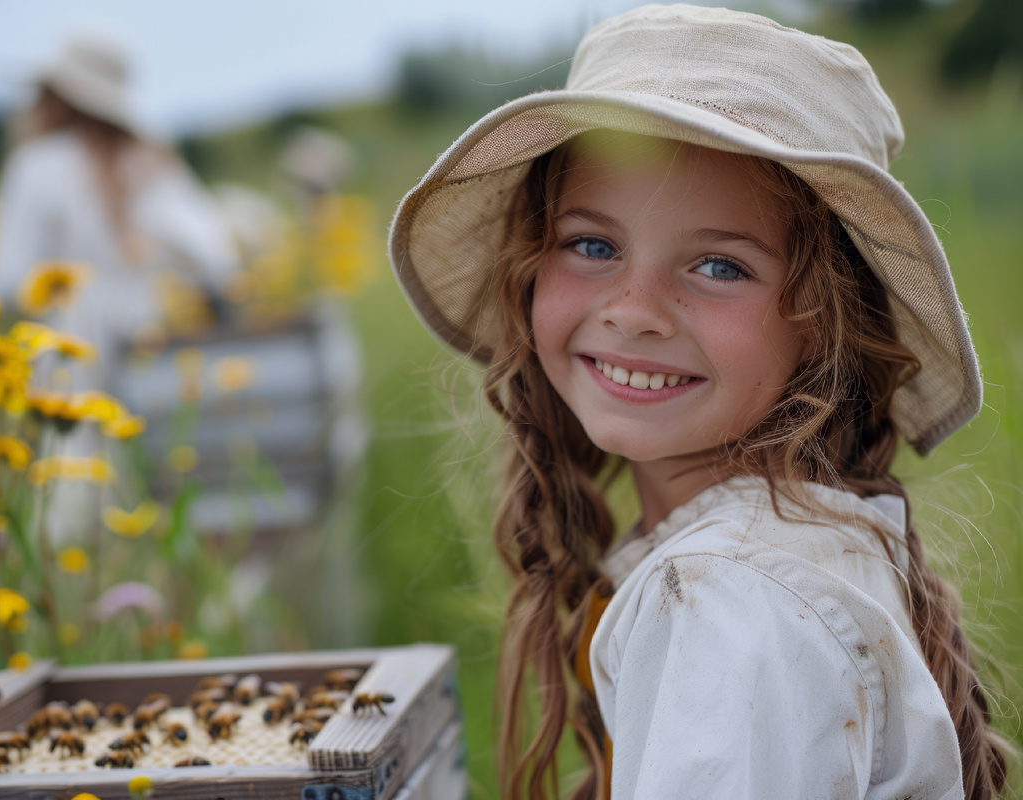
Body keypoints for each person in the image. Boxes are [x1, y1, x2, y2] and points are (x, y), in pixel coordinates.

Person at [389, 5, 1007, 798]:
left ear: (826, 324)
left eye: (719, 265)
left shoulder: (732, 600)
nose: (634, 308)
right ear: (531, 264)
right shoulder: (774, 554)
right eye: (592, 245)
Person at [0, 34, 237, 391]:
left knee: (75, 445)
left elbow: (11, 279)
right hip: (149, 354)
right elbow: (214, 255)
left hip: (66, 360)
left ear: (56, 96)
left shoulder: (38, 164)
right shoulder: (148, 162)